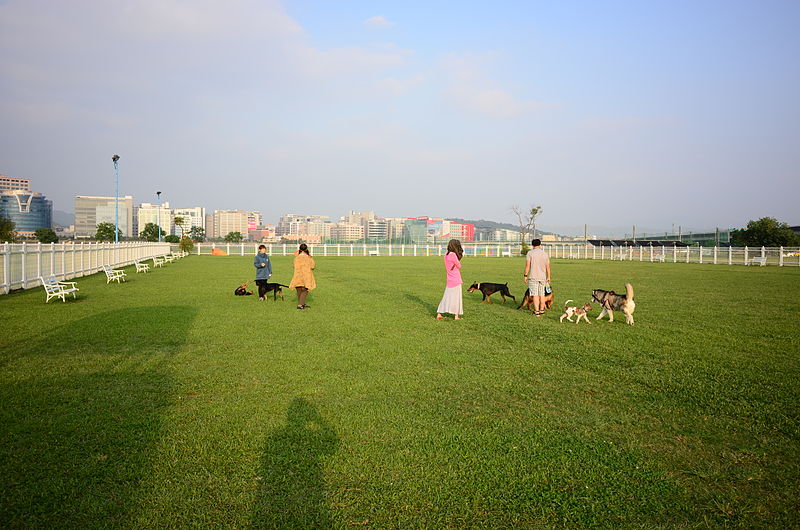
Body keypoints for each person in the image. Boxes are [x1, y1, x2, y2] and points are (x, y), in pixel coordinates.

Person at [436, 239, 464, 320]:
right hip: (456, 279)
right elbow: (459, 266)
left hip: (449, 279)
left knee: (446, 297)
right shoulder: (453, 255)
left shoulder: (446, 255)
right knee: (456, 298)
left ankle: (439, 314)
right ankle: (456, 316)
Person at [523, 238, 551, 316]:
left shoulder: (530, 253)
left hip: (533, 277)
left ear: (532, 245)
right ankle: (542, 311)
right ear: (540, 244)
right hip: (543, 277)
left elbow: (527, 266)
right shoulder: (545, 254)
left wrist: (525, 275)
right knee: (542, 294)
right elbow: (548, 267)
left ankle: (536, 311)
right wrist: (548, 277)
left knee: (535, 295)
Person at [289, 243, 316, 309]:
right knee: (305, 290)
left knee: (299, 289)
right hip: (306, 276)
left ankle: (302, 303)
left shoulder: (296, 258)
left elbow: (294, 266)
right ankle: (300, 305)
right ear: (306, 249)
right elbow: (312, 266)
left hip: (297, 275)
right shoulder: (308, 257)